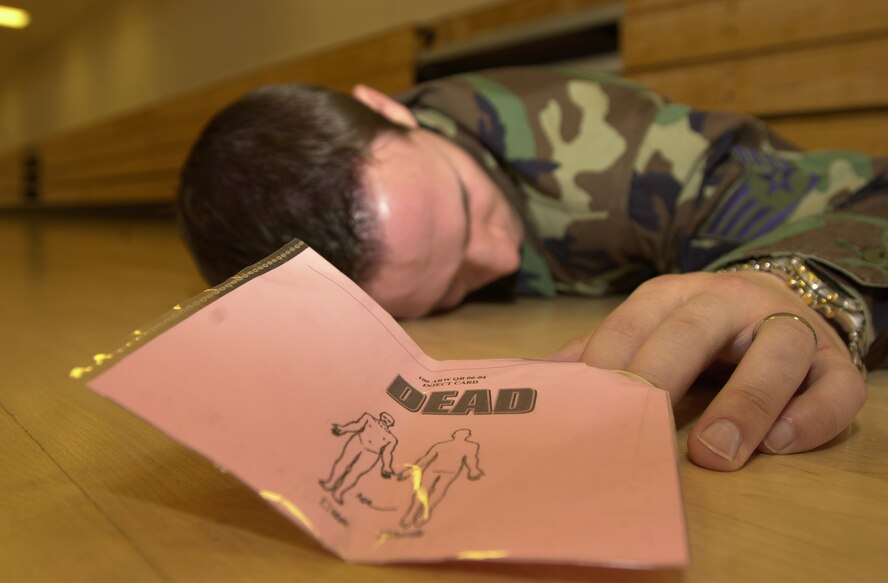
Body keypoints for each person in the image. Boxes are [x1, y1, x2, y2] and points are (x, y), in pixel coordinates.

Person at [178, 66, 887, 472]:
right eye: (448, 290)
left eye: (469, 206)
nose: (498, 257)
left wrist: (795, 282)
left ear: (389, 108)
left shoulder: (611, 154)